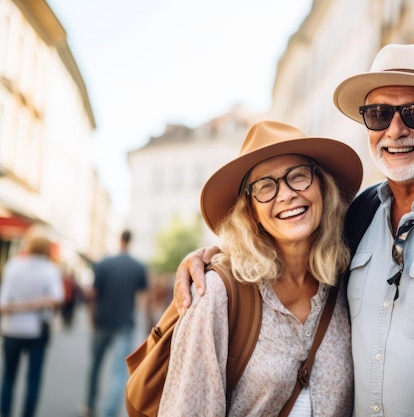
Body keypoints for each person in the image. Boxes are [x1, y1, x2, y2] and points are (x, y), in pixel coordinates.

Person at [175, 44, 414, 417]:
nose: (395, 130)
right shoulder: (358, 220)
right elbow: (281, 239)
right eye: (379, 114)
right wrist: (212, 261)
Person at [157, 120, 359, 416]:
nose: (286, 194)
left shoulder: (348, 282)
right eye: (265, 186)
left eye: (299, 176)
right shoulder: (216, 295)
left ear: (323, 188)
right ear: (251, 210)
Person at [81, 230, 147, 417]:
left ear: (119, 240)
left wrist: (91, 321)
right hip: (125, 325)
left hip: (102, 322)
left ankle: (89, 405)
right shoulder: (138, 267)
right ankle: (109, 413)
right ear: (131, 240)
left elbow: (93, 295)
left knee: (95, 365)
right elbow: (143, 297)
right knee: (119, 372)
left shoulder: (103, 264)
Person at [0, 225, 64, 417]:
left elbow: (3, 304)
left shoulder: (13, 266)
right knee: (33, 379)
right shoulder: (50, 270)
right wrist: (37, 304)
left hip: (11, 329)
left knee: (9, 378)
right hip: (36, 330)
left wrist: (17, 307)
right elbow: (58, 298)